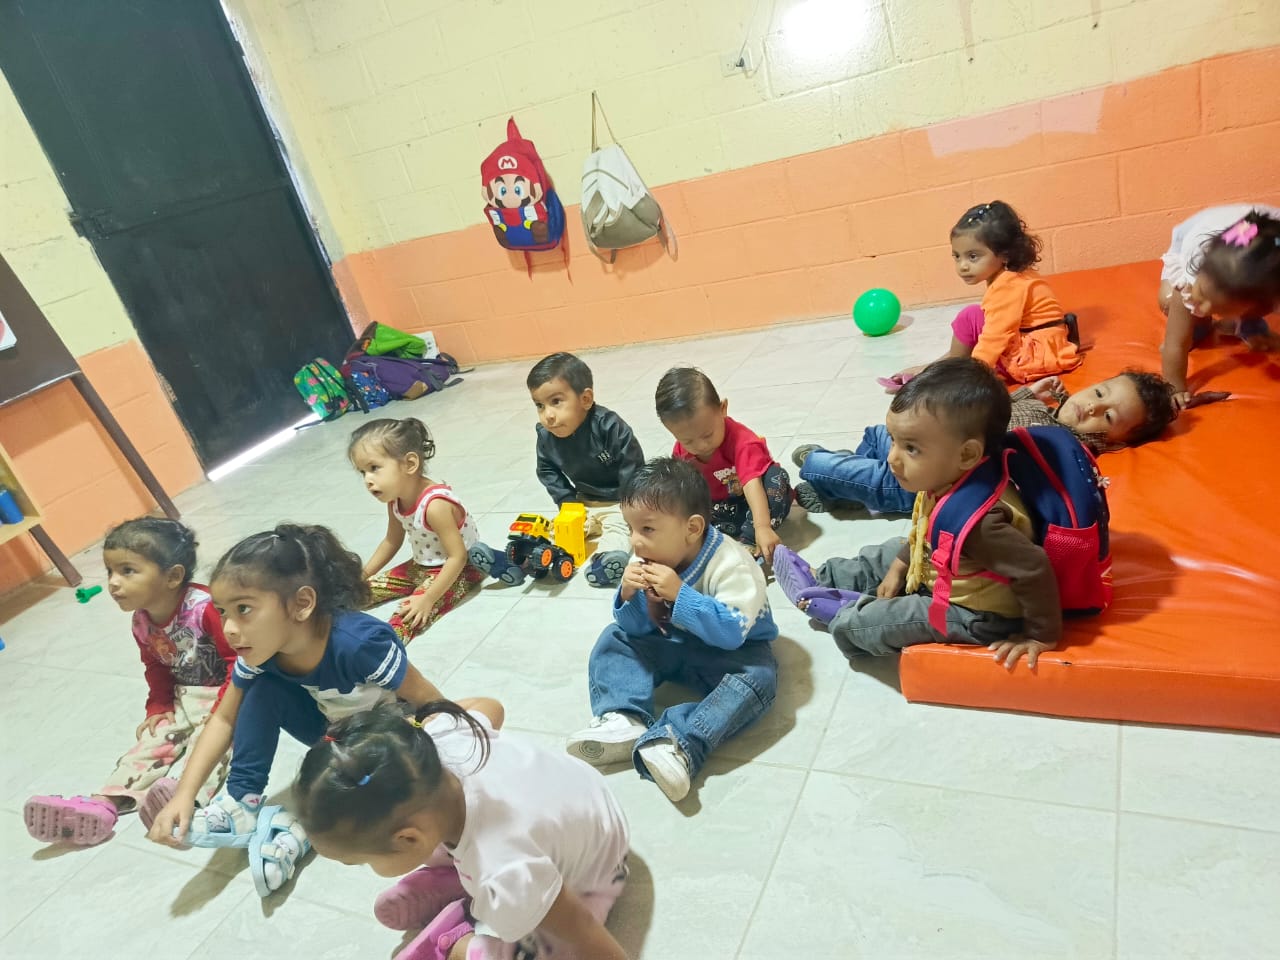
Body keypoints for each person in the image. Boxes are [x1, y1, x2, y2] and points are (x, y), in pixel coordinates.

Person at [143, 523, 448, 897]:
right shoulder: (259, 653)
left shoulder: (359, 644)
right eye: (222, 612)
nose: (229, 629)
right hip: (333, 732)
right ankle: (242, 804)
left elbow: (431, 703)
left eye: (243, 609)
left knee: (370, 806)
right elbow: (223, 718)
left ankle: (298, 831)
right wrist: (184, 794)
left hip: (386, 740)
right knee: (261, 689)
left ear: (302, 604)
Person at [774, 358, 1060, 670]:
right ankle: (823, 578)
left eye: (911, 448)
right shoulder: (947, 476)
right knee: (886, 553)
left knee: (882, 621)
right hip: (948, 568)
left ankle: (846, 617)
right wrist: (899, 566)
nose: (892, 458)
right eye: (893, 441)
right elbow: (924, 530)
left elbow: (1034, 568)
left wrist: (1040, 636)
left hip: (976, 615)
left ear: (967, 454)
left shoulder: (983, 525)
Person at [295, 700, 631, 960]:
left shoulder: (505, 870)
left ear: (408, 838)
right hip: (586, 799)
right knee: (439, 824)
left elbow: (584, 932)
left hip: (594, 873)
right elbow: (490, 706)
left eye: (363, 862)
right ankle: (459, 881)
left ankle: (460, 943)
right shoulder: (435, 743)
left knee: (552, 950)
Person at [566, 457, 778, 804]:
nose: (635, 542)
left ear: (692, 528)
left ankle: (678, 742)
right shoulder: (646, 555)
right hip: (673, 640)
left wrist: (681, 594)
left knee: (760, 679)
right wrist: (629, 595)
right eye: (631, 528)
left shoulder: (732, 563)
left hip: (733, 653)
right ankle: (624, 716)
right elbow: (635, 628)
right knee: (614, 637)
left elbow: (731, 634)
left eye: (647, 529)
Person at [23, 518, 234, 846]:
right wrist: (159, 705)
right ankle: (104, 804)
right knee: (152, 742)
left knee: (209, 745)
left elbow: (238, 660)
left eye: (127, 571)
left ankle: (183, 797)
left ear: (173, 576)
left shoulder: (206, 609)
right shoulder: (142, 621)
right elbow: (156, 665)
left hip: (228, 697)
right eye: (110, 571)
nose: (113, 582)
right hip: (184, 697)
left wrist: (227, 710)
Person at [791, 368, 1179, 514]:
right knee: (877, 435)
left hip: (938, 477)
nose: (1092, 407)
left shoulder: (1063, 447)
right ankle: (842, 494)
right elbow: (987, 414)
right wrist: (1026, 393)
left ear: (1114, 444)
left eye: (1107, 417)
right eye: (1099, 393)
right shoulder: (1044, 407)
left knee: (855, 473)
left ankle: (825, 473)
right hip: (925, 446)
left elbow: (1001, 450)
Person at [471, 352, 644, 589]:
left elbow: (632, 465)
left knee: (618, 529)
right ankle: (516, 563)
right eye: (540, 406)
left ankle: (605, 563)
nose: (548, 415)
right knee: (557, 532)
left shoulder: (609, 427)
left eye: (556, 402)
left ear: (585, 399)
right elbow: (546, 470)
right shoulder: (546, 437)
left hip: (618, 502)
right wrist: (568, 503)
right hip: (580, 502)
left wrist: (631, 505)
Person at [882, 201, 1081, 390]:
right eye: (957, 256)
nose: (962, 266)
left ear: (1005, 254)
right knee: (979, 317)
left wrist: (971, 380)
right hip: (1046, 350)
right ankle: (945, 364)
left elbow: (995, 338)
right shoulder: (1014, 275)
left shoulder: (1007, 285)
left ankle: (949, 370)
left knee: (970, 316)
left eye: (973, 256)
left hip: (1035, 359)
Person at [352, 417, 483, 643]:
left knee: (409, 615)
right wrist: (362, 577)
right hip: (420, 566)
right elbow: (391, 541)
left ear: (410, 464)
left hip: (460, 569)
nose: (368, 480)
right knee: (356, 593)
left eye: (374, 468)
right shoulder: (394, 500)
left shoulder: (435, 505)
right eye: (362, 472)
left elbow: (458, 556)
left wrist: (428, 598)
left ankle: (383, 649)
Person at [655, 367, 791, 562]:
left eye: (707, 435)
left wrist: (762, 527)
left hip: (759, 500)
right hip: (725, 507)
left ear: (722, 409)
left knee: (777, 478)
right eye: (688, 441)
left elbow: (751, 482)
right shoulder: (681, 453)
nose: (701, 446)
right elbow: (683, 492)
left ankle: (750, 540)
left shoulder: (743, 442)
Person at [1158, 205, 1280, 408]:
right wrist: (1175, 390)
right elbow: (1174, 345)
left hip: (1261, 251)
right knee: (1168, 302)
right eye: (1203, 293)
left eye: (1219, 309)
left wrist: (1251, 323)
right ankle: (1204, 322)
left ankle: (1248, 324)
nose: (1205, 310)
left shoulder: (1269, 291)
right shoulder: (1196, 266)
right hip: (1205, 235)